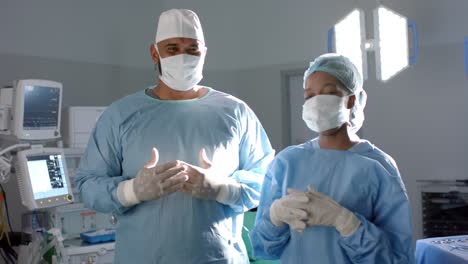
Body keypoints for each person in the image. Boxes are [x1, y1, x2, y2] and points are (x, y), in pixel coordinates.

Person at [75, 9, 274, 264]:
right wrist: (132, 190)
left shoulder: (235, 112)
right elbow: (87, 184)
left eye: (192, 49)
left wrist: (222, 188)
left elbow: (268, 180)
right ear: (154, 52)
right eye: (172, 48)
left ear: (204, 52)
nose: (183, 56)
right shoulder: (120, 115)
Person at [249, 53, 414, 263]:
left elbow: (397, 259)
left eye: (329, 93)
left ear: (351, 100)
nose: (317, 103)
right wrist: (275, 218)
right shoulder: (287, 162)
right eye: (310, 96)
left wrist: (346, 222)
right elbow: (262, 249)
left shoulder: (378, 167)